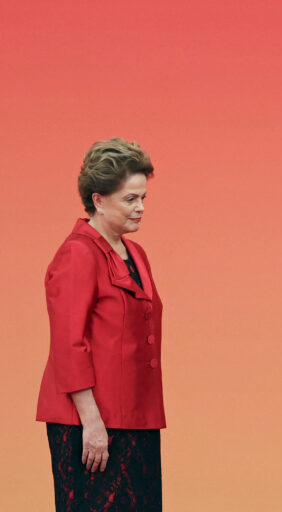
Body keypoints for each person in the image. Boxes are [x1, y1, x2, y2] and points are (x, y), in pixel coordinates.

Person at [36, 138, 165, 511]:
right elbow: (68, 344)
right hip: (92, 423)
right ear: (98, 199)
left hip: (135, 419)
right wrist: (92, 424)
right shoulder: (78, 253)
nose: (140, 208)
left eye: (143, 198)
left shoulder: (135, 252)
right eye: (130, 199)